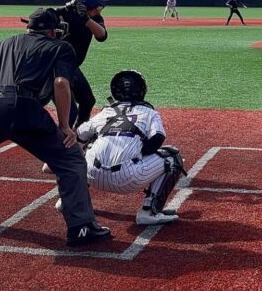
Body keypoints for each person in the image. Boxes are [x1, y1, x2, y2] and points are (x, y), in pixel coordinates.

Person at [0, 8, 111, 247]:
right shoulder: (61, 47)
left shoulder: (3, 44)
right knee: (70, 160)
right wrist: (65, 126)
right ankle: (81, 227)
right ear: (52, 31)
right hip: (20, 106)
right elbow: (61, 83)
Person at [75, 70, 188, 226]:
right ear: (141, 90)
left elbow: (79, 134)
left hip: (92, 176)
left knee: (89, 145)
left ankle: (72, 200)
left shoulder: (105, 111)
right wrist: (140, 153)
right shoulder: (149, 112)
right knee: (173, 157)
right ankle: (149, 211)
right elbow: (158, 137)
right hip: (128, 179)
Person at [56, 0, 110, 128]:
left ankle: (80, 131)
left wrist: (85, 18)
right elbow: (44, 17)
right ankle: (61, 138)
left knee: (88, 101)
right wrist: (65, 8)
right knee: (70, 112)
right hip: (55, 67)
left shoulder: (96, 18)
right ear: (97, 4)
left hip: (72, 67)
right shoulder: (68, 13)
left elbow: (101, 35)